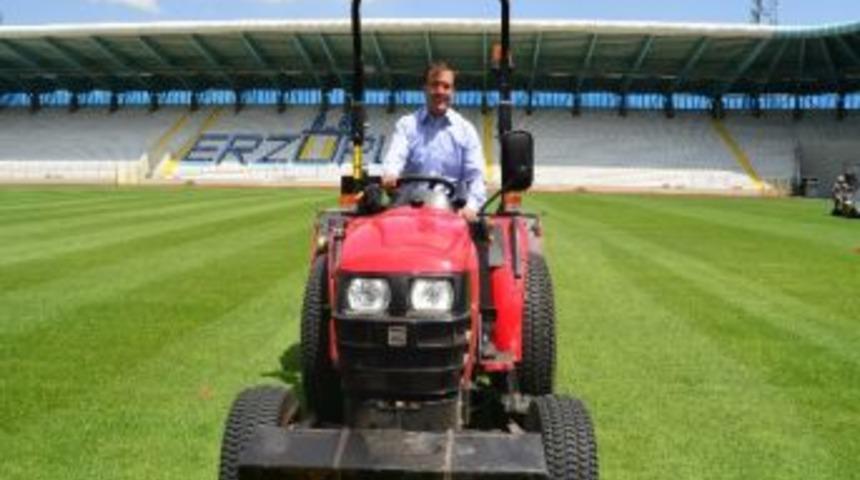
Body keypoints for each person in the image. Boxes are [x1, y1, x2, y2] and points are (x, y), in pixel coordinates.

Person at [381, 62, 487, 222]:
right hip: (408, 211)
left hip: (450, 214)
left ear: (453, 92)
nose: (440, 91)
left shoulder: (466, 131)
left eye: (446, 86)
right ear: (424, 88)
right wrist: (390, 173)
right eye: (434, 85)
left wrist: (471, 207)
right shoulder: (407, 125)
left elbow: (476, 177)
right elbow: (396, 156)